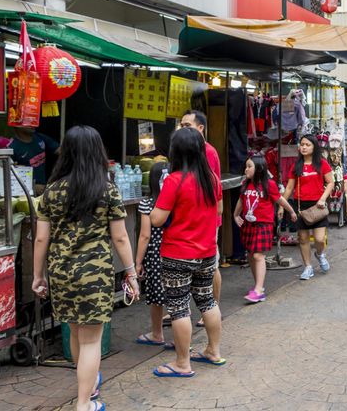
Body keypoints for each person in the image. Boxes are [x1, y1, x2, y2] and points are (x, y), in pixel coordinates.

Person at [32, 125, 139, 411]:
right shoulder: (107, 190)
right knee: (92, 340)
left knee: (77, 332)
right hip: (95, 274)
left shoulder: (51, 192)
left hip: (61, 273)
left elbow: (42, 237)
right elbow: (119, 236)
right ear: (97, 153)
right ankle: (83, 404)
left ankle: (88, 388)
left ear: (65, 153)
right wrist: (130, 272)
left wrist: (37, 275)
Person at [150, 128, 224, 377]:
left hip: (178, 254)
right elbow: (218, 209)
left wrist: (154, 210)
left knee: (179, 307)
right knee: (207, 301)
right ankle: (213, 351)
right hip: (207, 252)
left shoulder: (174, 180)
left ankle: (182, 363)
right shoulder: (212, 179)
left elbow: (157, 219)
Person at [179, 110, 223, 327]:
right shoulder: (183, 151)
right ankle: (182, 310)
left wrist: (213, 222)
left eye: (187, 125)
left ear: (200, 128)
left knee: (211, 265)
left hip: (206, 221)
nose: (183, 128)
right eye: (181, 125)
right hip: (189, 222)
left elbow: (216, 191)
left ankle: (213, 306)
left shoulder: (209, 152)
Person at [233, 156, 297, 303]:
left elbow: (280, 199)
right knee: (250, 254)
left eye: (249, 166)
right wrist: (235, 215)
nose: (246, 169)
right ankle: (258, 285)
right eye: (246, 166)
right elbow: (241, 200)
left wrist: (291, 211)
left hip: (264, 224)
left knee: (258, 256)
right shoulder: (245, 184)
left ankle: (258, 290)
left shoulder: (269, 185)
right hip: (249, 224)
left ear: (259, 168)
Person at [282, 134, 335, 280]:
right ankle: (308, 267)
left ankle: (320, 254)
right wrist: (281, 206)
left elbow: (331, 182)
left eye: (307, 145)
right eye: (302, 144)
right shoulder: (296, 166)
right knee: (303, 239)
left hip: (318, 206)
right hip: (301, 206)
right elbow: (289, 188)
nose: (304, 147)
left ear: (314, 147)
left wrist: (323, 199)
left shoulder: (322, 163)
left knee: (319, 239)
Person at [134, 161, 171, 348]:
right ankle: (182, 339)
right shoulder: (177, 200)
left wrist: (138, 262)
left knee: (157, 295)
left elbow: (145, 235)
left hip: (156, 254)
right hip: (176, 250)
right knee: (178, 293)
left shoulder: (147, 203)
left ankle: (157, 333)